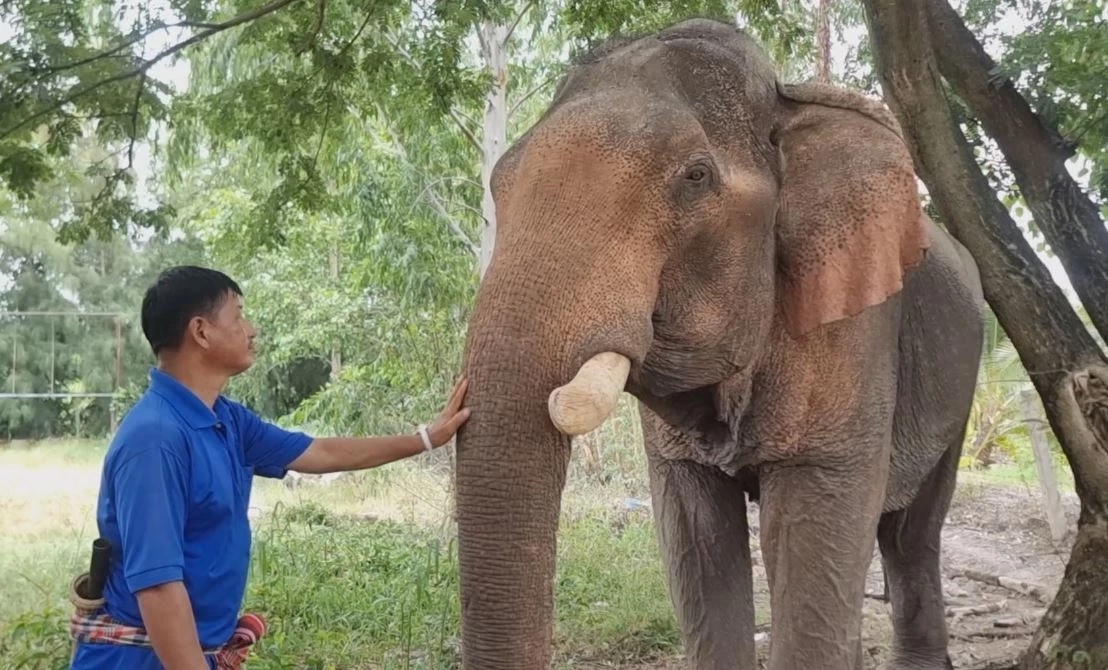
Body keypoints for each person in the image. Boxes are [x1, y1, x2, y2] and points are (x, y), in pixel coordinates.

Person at [68, 265, 471, 670]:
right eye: (238, 315)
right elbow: (158, 588)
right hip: (144, 658)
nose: (251, 329)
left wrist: (425, 438)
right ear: (201, 332)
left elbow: (321, 453)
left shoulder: (226, 420)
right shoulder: (155, 439)